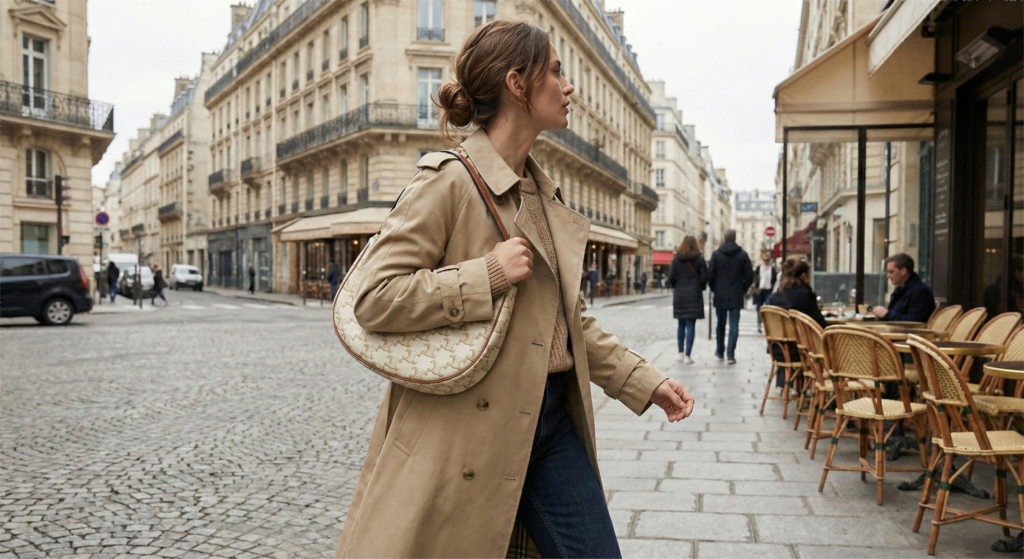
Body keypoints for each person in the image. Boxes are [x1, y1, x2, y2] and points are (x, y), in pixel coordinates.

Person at [335, 20, 695, 559]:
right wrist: (487, 275)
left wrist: (643, 381)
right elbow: (373, 298)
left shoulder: (542, 194)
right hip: (464, 428)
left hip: (549, 421)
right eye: (556, 72)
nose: (568, 87)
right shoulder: (448, 180)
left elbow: (567, 321)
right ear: (517, 84)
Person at [767, 259, 827, 387]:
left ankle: (787, 385)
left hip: (779, 349)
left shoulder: (774, 297)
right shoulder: (806, 295)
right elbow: (818, 324)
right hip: (802, 351)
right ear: (804, 275)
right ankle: (826, 388)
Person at [708, 230, 753, 364]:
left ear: (724, 238)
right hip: (736, 293)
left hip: (720, 293)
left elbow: (711, 275)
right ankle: (730, 354)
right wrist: (742, 289)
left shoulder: (716, 254)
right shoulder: (743, 255)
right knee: (734, 325)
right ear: (735, 238)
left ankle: (720, 351)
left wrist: (714, 288)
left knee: (720, 324)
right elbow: (749, 276)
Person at [669, 235, 707, 364]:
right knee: (691, 325)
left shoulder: (677, 258)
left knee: (681, 324)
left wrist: (677, 286)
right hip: (694, 294)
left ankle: (680, 353)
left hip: (680, 294)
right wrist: (698, 287)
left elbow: (671, 277)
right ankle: (687, 356)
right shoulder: (699, 259)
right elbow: (704, 279)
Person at [870, 253, 935, 323]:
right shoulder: (901, 288)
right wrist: (878, 315)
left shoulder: (920, 291)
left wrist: (887, 314)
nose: (887, 275)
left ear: (903, 271)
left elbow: (914, 322)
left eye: (891, 272)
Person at [753, 252, 777, 334]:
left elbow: (774, 279)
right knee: (759, 308)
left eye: (767, 260)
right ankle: (759, 324)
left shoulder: (772, 269)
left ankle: (768, 325)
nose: (766, 261)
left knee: (768, 306)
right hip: (760, 290)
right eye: (764, 260)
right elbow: (755, 278)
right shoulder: (759, 268)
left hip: (768, 290)